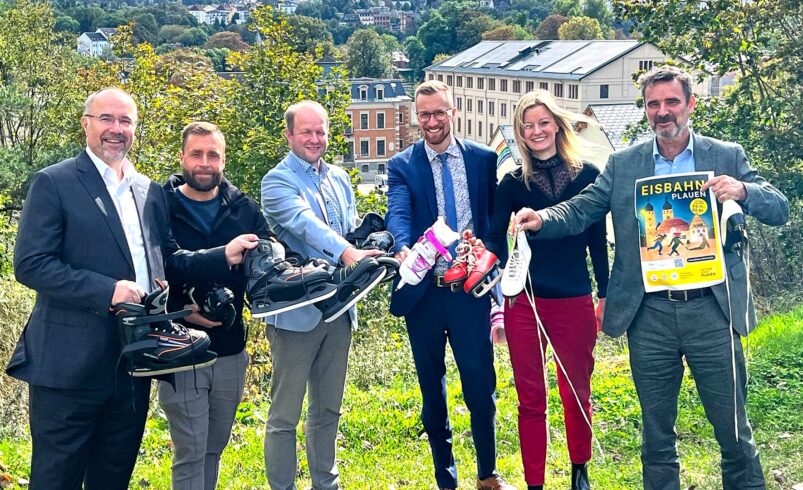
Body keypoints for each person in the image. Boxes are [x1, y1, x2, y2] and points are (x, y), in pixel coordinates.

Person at [513, 66, 789, 490]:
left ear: (690, 104)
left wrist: (743, 191)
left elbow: (779, 208)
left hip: (713, 312)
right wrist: (542, 217)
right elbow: (582, 208)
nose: (663, 112)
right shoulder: (626, 164)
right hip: (651, 316)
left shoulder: (726, 156)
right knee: (656, 436)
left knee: (733, 431)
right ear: (645, 110)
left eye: (671, 102)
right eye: (653, 104)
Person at [6, 88, 257, 490]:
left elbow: (170, 260)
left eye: (125, 121)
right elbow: (32, 264)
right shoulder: (54, 182)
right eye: (106, 118)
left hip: (135, 362)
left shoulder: (149, 191)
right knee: (57, 478)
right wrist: (108, 290)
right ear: (86, 123)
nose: (116, 129)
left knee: (113, 477)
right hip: (69, 364)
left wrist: (222, 254)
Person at [385, 80, 514, 490]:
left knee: (480, 383)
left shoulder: (483, 159)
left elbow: (495, 223)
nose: (432, 122)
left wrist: (490, 259)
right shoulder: (402, 165)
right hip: (425, 292)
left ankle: (487, 473)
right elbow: (398, 212)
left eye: (439, 113)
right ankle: (446, 478)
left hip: (469, 293)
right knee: (431, 389)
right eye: (424, 115)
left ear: (453, 112)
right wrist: (403, 247)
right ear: (415, 117)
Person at [486, 90, 609, 490]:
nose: (536, 131)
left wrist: (603, 294)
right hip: (524, 301)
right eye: (528, 125)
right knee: (531, 398)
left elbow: (597, 242)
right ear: (520, 134)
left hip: (573, 297)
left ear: (557, 124)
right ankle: (534, 482)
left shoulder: (589, 175)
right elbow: (493, 239)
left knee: (577, 389)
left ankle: (580, 470)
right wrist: (487, 266)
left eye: (543, 122)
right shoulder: (512, 183)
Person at [260, 100, 383, 490]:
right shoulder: (276, 181)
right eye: (306, 132)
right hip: (296, 315)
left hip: (340, 310)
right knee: (285, 415)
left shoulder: (339, 179)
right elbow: (304, 224)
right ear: (289, 135)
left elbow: (347, 233)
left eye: (321, 131)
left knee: (328, 408)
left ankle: (325, 484)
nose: (315, 139)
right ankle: (283, 486)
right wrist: (347, 252)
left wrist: (371, 245)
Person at [158, 122, 272, 489]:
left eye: (213, 155)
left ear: (223, 160)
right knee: (190, 449)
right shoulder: (161, 207)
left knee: (213, 447)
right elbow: (167, 263)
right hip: (180, 348)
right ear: (182, 157)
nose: (204, 162)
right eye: (196, 153)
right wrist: (223, 255)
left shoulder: (243, 209)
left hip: (230, 348)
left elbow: (266, 264)